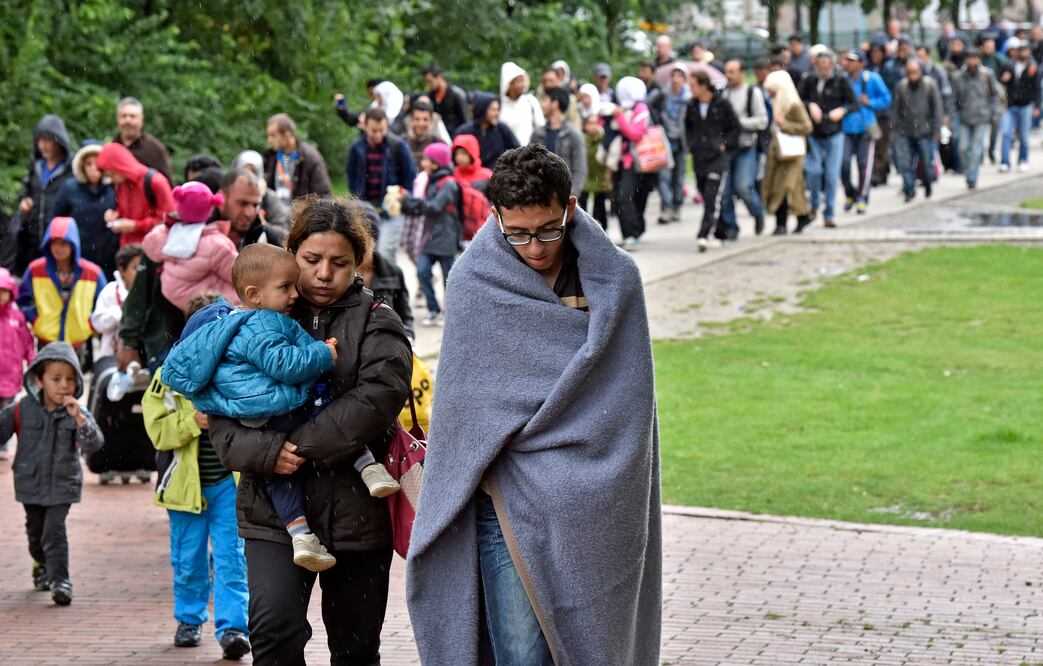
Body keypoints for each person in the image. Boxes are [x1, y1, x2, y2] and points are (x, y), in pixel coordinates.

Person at [407, 144, 662, 665]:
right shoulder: (474, 284)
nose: (536, 247)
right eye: (517, 233)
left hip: (596, 504)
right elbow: (467, 411)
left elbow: (626, 402)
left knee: (596, 647)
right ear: (496, 215)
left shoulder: (614, 281)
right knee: (521, 656)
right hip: (506, 501)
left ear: (570, 207)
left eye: (548, 229)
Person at [207, 197, 412, 664]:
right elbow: (223, 409)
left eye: (338, 263)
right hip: (274, 515)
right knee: (274, 635)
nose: (323, 274)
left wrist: (294, 446)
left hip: (359, 516)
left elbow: (376, 401)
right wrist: (264, 452)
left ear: (358, 262)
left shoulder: (379, 320)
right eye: (311, 260)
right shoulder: (252, 321)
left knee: (355, 648)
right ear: (291, 252)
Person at [142, 295, 251, 660]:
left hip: (227, 485)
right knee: (187, 559)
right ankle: (189, 619)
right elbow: (158, 431)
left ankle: (234, 627)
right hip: (184, 488)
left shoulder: (236, 371)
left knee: (232, 559)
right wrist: (193, 421)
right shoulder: (166, 378)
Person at [116, 169, 281, 375]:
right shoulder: (179, 232)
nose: (249, 212)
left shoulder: (267, 240)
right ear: (222, 197)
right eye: (242, 203)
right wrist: (129, 342)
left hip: (238, 354)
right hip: (169, 344)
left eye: (255, 204)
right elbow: (141, 288)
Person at [0, 342, 103, 606]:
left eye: (70, 379)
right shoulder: (21, 409)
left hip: (62, 485)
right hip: (29, 483)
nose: (63, 386)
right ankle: (41, 562)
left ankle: (61, 581)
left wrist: (80, 419)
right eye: (56, 379)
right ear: (39, 380)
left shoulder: (76, 412)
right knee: (35, 534)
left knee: (53, 531)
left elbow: (94, 444)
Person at [141, 182, 239, 311]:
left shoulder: (166, 235)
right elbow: (241, 276)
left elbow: (149, 244)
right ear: (210, 207)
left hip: (174, 300)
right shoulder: (216, 244)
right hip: (213, 307)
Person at [17, 217, 106, 353]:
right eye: (55, 243)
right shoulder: (35, 269)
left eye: (64, 243)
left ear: (73, 245)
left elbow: (104, 303)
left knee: (75, 374)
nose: (59, 248)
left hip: (77, 342)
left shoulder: (92, 273)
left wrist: (90, 325)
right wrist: (36, 321)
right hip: (45, 341)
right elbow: (23, 299)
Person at [398, 143, 460, 327]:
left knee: (449, 278)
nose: (422, 162)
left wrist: (411, 201)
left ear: (436, 163)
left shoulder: (448, 183)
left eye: (426, 159)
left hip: (447, 237)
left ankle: (451, 313)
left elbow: (434, 207)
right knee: (422, 270)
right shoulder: (431, 180)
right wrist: (408, 201)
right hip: (431, 237)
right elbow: (426, 205)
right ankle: (433, 309)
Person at [347, 109, 417, 263]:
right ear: (365, 126)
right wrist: (355, 196)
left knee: (385, 254)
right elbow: (351, 174)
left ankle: (388, 286)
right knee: (364, 255)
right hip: (364, 207)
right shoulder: (357, 147)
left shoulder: (398, 146)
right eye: (374, 131)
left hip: (391, 209)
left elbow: (410, 174)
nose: (378, 134)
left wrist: (403, 195)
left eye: (382, 130)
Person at [798, 50, 856, 228]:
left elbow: (854, 103)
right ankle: (814, 203)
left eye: (827, 67)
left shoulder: (840, 80)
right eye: (820, 67)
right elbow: (799, 99)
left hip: (834, 133)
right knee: (813, 170)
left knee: (832, 175)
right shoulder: (809, 80)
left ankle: (829, 212)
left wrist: (842, 111)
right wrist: (810, 105)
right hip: (814, 133)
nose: (824, 71)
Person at [11, 115, 75, 275]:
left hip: (59, 236)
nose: (43, 145)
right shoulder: (36, 166)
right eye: (40, 140)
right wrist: (24, 199)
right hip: (32, 235)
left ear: (58, 141)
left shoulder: (71, 169)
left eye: (48, 141)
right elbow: (27, 188)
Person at [686, 70, 741, 251]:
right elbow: (688, 128)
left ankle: (703, 234)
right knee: (706, 194)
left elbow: (735, 127)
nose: (690, 89)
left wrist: (725, 144)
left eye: (693, 85)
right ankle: (723, 230)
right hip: (699, 157)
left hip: (718, 158)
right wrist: (691, 144)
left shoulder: (722, 104)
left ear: (703, 85)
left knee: (712, 196)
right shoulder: (691, 106)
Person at [50, 141, 119, 277]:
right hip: (78, 255)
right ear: (81, 165)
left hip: (107, 258)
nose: (93, 169)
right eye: (88, 164)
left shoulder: (113, 188)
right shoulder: (69, 188)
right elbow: (55, 222)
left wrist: (117, 215)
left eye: (97, 163)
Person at [352, 203, 416, 342]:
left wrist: (409, 337)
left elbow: (405, 318)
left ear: (373, 239)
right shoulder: (338, 275)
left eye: (363, 242)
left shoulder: (393, 273)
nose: (358, 250)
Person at [95, 142, 176, 247]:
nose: (112, 179)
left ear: (121, 166)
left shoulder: (155, 181)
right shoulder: (121, 183)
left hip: (152, 249)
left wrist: (136, 226)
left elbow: (168, 219)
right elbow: (125, 208)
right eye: (109, 175)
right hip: (127, 249)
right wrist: (116, 214)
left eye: (113, 173)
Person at [762, 70, 814, 234]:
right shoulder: (776, 103)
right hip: (779, 151)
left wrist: (784, 125)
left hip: (792, 153)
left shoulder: (794, 104)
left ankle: (781, 223)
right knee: (790, 187)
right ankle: (802, 215)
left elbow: (806, 127)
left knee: (784, 187)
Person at [605, 77, 654, 251]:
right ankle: (628, 235)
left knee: (626, 197)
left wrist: (619, 119)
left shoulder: (641, 108)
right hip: (619, 161)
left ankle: (633, 234)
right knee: (618, 199)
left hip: (634, 162)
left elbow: (636, 134)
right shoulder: (621, 108)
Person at [721, 59, 768, 236]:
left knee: (743, 187)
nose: (729, 76)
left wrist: (738, 123)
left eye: (732, 72)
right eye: (727, 72)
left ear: (741, 73)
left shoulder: (752, 93)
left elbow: (762, 120)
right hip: (727, 148)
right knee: (724, 192)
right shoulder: (723, 93)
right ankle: (731, 227)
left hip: (746, 146)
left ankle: (757, 213)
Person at [841, 51, 891, 214]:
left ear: (862, 63)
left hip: (865, 128)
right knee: (844, 163)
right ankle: (850, 193)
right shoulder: (842, 79)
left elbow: (886, 98)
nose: (849, 63)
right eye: (847, 60)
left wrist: (870, 102)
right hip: (846, 128)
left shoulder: (872, 79)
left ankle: (862, 197)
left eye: (853, 60)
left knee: (864, 164)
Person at [892, 60, 944, 201]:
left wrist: (937, 129)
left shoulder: (929, 86)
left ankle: (927, 183)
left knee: (926, 162)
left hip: (925, 131)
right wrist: (894, 132)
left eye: (915, 71)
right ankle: (909, 189)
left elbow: (937, 109)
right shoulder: (901, 87)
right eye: (909, 72)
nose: (912, 75)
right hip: (905, 131)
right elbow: (896, 111)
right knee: (905, 163)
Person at [952, 48, 1002, 189]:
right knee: (963, 148)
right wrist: (951, 116)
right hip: (964, 117)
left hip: (981, 116)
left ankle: (972, 176)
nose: (972, 61)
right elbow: (953, 100)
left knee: (976, 148)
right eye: (970, 58)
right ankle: (968, 171)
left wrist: (993, 111)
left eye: (975, 58)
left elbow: (995, 95)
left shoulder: (987, 74)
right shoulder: (958, 77)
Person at [0, 267, 35, 461]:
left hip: (11, 375)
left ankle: (4, 443)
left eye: (3, 292)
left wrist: (33, 361)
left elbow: (27, 342)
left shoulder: (17, 317)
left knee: (8, 413)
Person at [263, 113, 332, 206]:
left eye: (273, 135)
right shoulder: (271, 156)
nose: (269, 140)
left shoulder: (310, 157)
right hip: (275, 217)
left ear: (287, 135)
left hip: (299, 217)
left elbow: (323, 195)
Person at [531, 87, 587, 198]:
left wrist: (571, 196)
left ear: (555, 103)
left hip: (564, 196)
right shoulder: (538, 133)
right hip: (540, 197)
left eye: (545, 100)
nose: (542, 105)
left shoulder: (573, 135)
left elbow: (580, 169)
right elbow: (530, 166)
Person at [90, 244, 142, 360]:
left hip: (139, 356)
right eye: (135, 268)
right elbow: (97, 324)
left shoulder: (147, 293)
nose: (139, 273)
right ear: (122, 270)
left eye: (141, 268)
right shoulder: (111, 291)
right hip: (110, 355)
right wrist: (120, 312)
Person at [997, 38, 1040, 172]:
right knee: (1006, 133)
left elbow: (1036, 87)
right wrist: (1004, 79)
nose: (1022, 53)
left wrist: (1037, 106)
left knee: (1024, 135)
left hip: (1025, 104)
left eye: (1025, 50)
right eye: (1020, 50)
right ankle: (1005, 161)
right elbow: (1000, 79)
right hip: (1010, 104)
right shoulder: (1009, 65)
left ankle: (1023, 159)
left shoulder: (1032, 67)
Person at [452, 92, 520, 168]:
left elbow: (517, 151)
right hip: (471, 176)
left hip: (498, 175)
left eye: (497, 110)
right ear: (482, 109)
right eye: (493, 110)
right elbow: (455, 158)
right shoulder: (463, 132)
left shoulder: (502, 129)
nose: (497, 113)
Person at [114, 97, 173, 183]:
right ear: (117, 119)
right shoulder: (113, 148)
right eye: (124, 116)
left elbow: (167, 184)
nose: (128, 120)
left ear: (141, 119)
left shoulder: (155, 149)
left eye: (132, 116)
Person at [231, 150, 289, 232]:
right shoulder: (229, 193)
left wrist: (263, 226)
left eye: (253, 172)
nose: (249, 177)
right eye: (244, 172)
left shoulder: (269, 198)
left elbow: (282, 232)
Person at [500, 62, 545, 146]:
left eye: (523, 80)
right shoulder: (499, 106)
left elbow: (541, 127)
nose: (522, 85)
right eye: (519, 81)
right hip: (508, 155)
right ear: (509, 84)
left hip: (530, 154)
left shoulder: (530, 101)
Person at [580, 114, 612, 229]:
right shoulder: (580, 140)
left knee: (600, 206)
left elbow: (610, 159)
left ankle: (602, 230)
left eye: (596, 123)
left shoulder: (604, 139)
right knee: (582, 206)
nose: (593, 126)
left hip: (600, 177)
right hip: (584, 178)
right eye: (590, 123)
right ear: (584, 126)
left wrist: (607, 176)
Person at [424, 65, 470, 135]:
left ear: (439, 77)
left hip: (455, 135)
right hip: (438, 136)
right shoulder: (430, 96)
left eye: (430, 81)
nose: (429, 85)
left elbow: (465, 120)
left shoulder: (457, 94)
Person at [403, 100, 447, 164]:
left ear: (431, 120)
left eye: (425, 119)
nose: (421, 124)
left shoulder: (439, 144)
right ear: (411, 119)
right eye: (417, 119)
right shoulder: (402, 142)